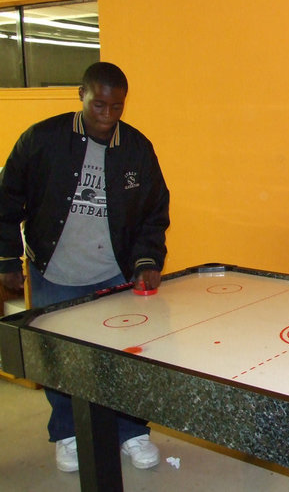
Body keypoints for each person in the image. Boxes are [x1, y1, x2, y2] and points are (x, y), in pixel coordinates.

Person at [0, 62, 170, 472]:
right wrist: (6, 259)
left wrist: (147, 260)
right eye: (99, 105)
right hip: (54, 273)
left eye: (117, 107)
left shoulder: (136, 148)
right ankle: (68, 433)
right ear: (82, 95)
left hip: (113, 273)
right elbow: (6, 201)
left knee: (125, 357)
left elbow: (154, 211)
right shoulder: (42, 139)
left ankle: (131, 432)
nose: (107, 116)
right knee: (58, 359)